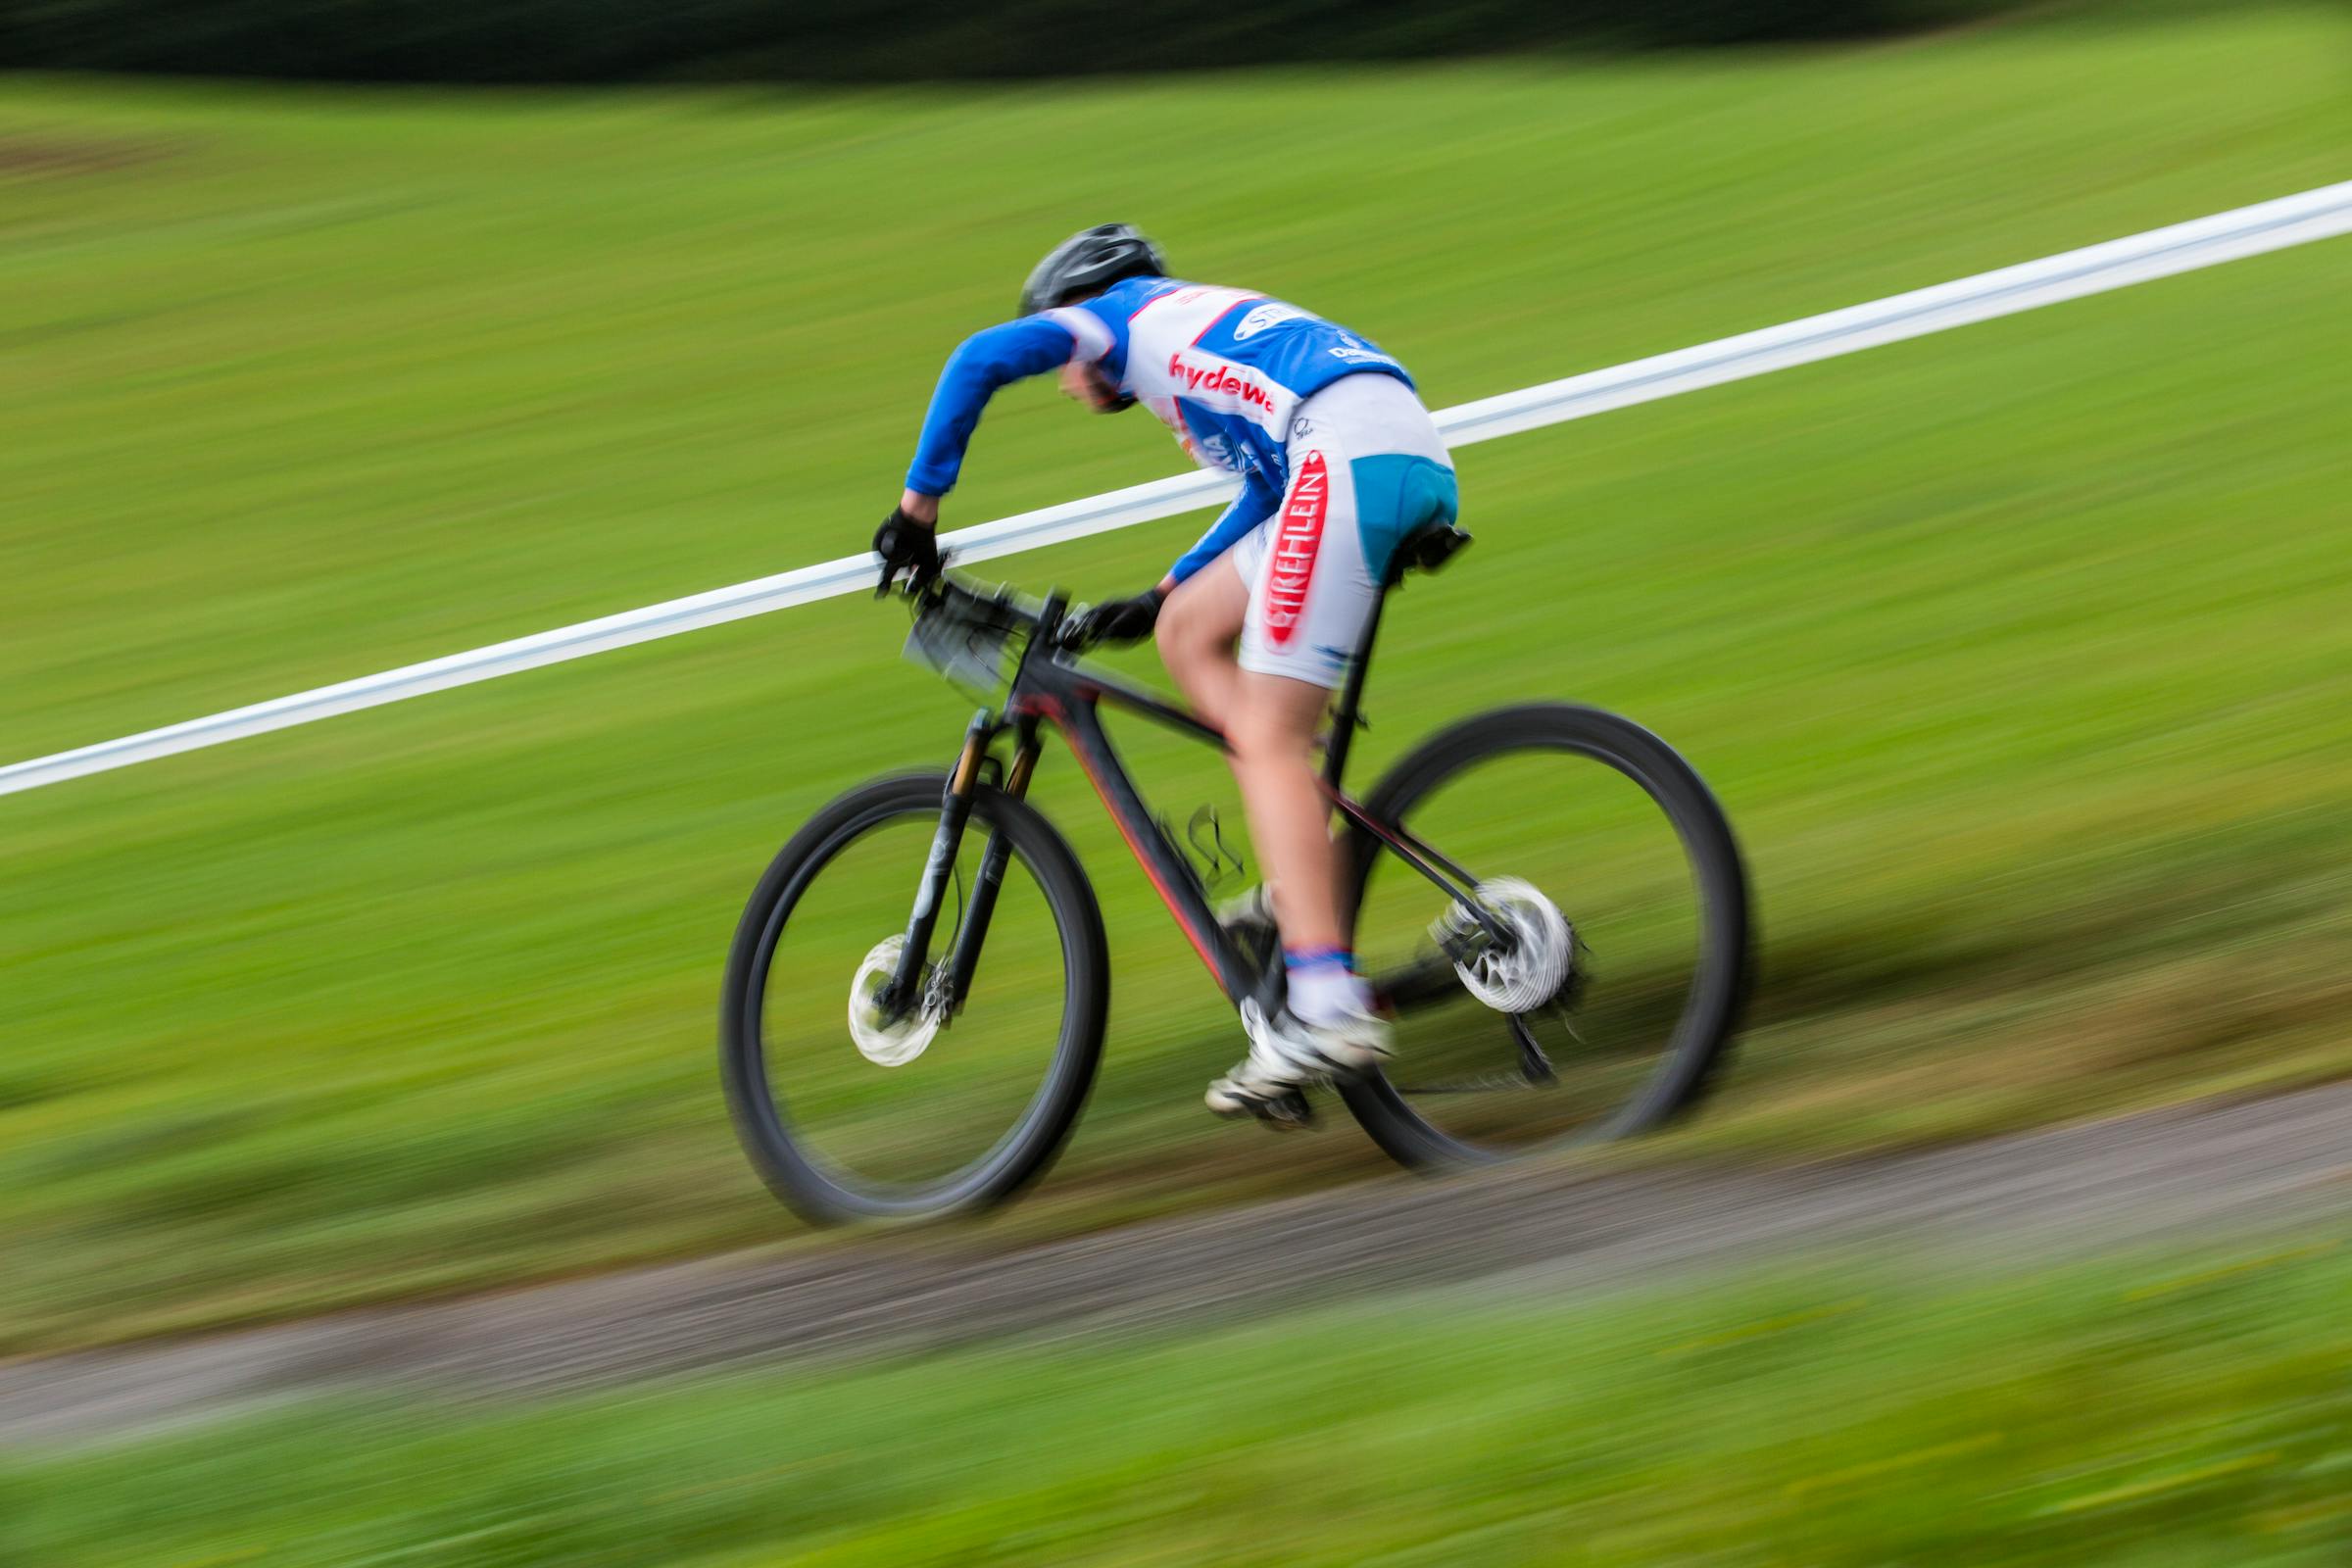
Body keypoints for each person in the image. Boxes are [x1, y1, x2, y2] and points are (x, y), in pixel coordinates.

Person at [872, 223, 1458, 1119]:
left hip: (1346, 457)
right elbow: (1268, 489)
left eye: (1068, 360)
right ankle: (1303, 867)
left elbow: (976, 359)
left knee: (1266, 731)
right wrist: (1161, 593)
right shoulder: (1191, 332)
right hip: (1379, 449)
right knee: (1188, 633)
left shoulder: (1116, 319)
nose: (1070, 381)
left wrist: (917, 514)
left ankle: (1324, 1007)